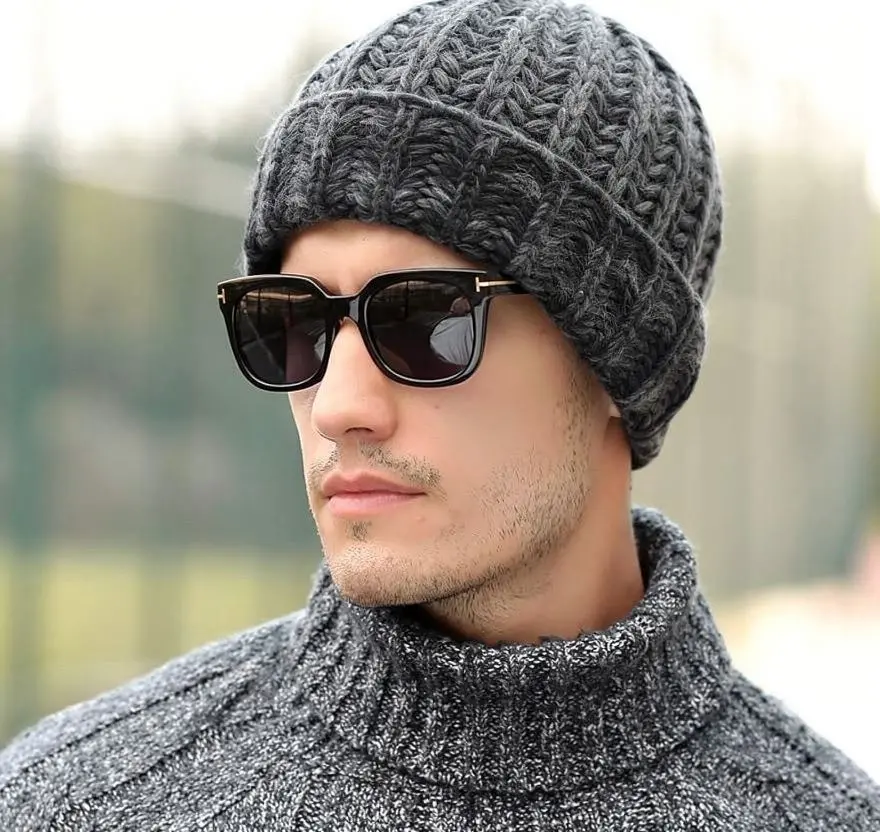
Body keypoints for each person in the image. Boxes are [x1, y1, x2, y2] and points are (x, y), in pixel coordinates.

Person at [2, 0, 878, 828]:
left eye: (423, 319)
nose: (339, 406)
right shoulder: (75, 802)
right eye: (293, 323)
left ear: (623, 360)